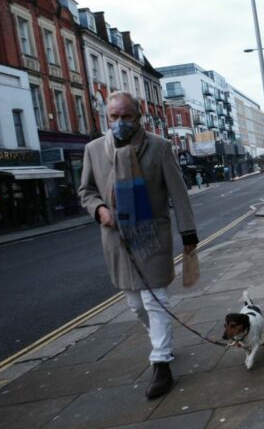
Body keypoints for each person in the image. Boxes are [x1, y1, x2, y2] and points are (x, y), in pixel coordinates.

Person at [79, 91, 198, 400]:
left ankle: (161, 362)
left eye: (126, 117)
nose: (120, 123)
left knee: (156, 301)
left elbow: (178, 192)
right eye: (113, 118)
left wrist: (188, 233)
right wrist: (100, 210)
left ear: (139, 115)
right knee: (135, 305)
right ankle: (161, 340)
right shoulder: (93, 150)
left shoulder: (159, 148)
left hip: (151, 237)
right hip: (117, 240)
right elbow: (86, 191)